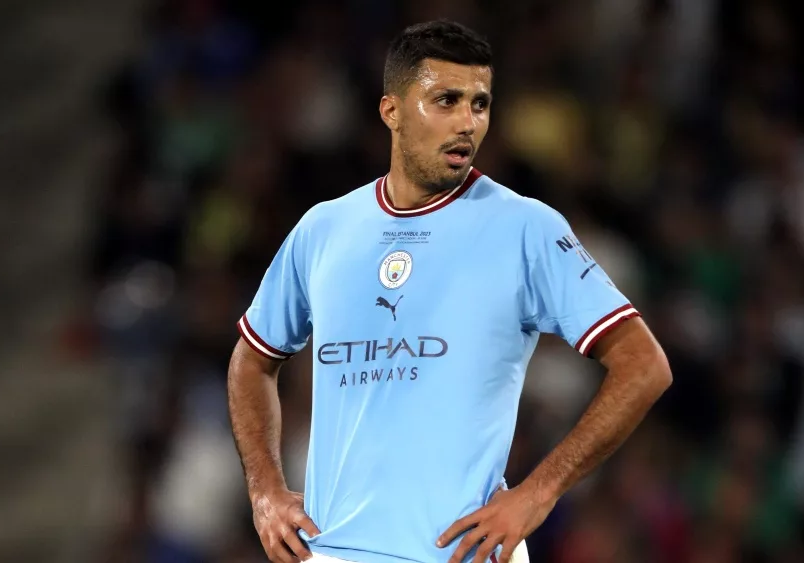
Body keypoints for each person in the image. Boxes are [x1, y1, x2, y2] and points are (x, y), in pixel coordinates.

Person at [228, 20, 671, 563]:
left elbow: (644, 365)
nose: (467, 122)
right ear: (391, 110)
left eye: (480, 104)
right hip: (331, 553)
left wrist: (537, 494)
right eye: (446, 100)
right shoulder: (323, 230)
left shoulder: (524, 228)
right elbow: (251, 361)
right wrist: (265, 491)